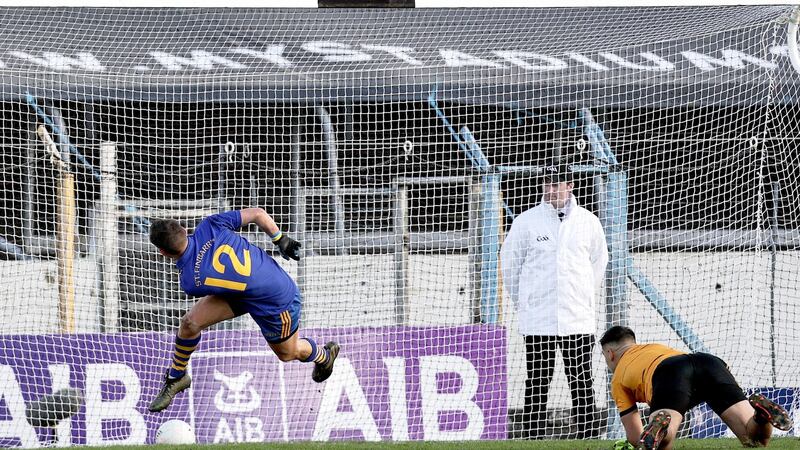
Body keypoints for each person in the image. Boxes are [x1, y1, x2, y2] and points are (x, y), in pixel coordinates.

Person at [146, 208, 339, 413]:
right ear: (184, 229)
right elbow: (257, 214)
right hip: (248, 291)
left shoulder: (189, 282)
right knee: (190, 323)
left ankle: (324, 356)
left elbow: (210, 274)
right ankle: (177, 377)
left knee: (288, 353)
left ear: (163, 252)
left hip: (276, 302)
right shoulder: (210, 224)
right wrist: (280, 239)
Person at [500, 162, 608, 439]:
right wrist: (526, 302)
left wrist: (584, 295)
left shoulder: (588, 221)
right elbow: (510, 266)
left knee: (582, 380)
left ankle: (588, 436)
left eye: (556, 184)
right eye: (546, 183)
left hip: (577, 317)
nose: (550, 189)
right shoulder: (526, 221)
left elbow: (599, 261)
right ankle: (533, 437)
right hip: (539, 318)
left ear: (570, 185)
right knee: (537, 380)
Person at [600, 325, 793, 450]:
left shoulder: (618, 379)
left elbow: (636, 438)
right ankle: (760, 416)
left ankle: (662, 427)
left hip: (671, 373)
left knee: (659, 444)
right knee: (756, 443)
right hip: (709, 363)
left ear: (610, 353)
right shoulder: (653, 347)